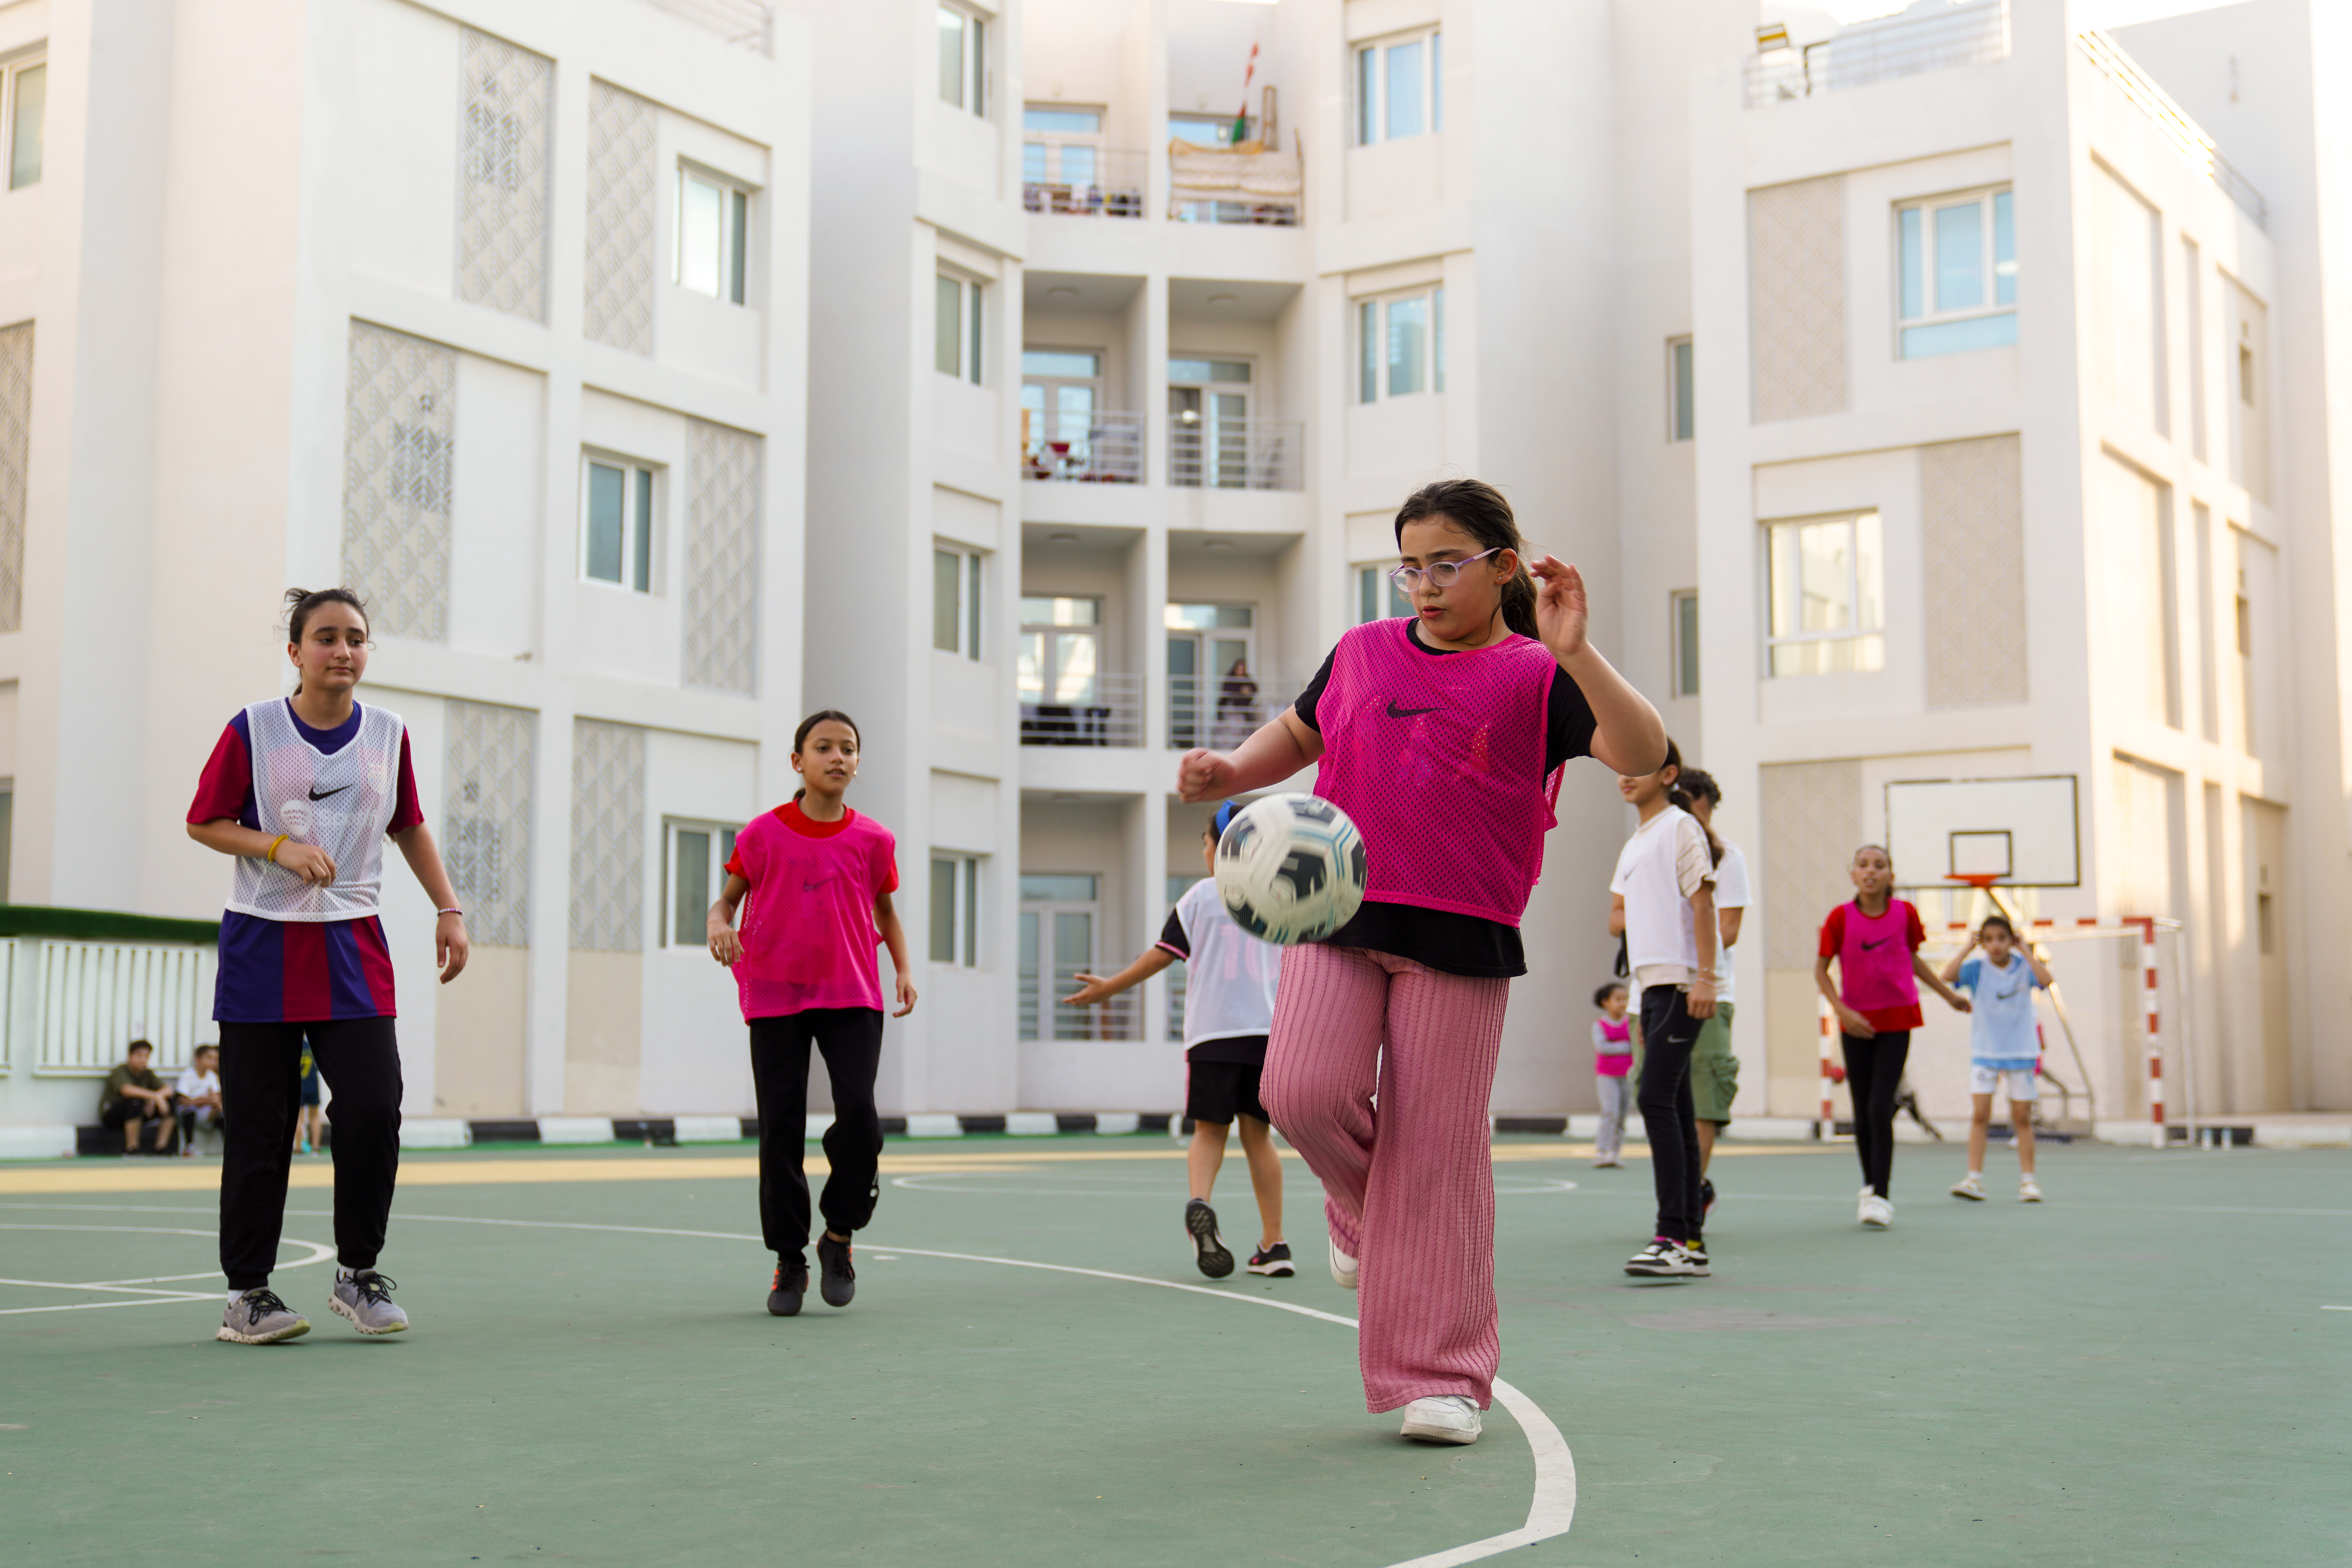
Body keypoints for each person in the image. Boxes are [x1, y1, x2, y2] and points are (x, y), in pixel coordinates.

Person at [1177, 477, 1665, 1446]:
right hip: (1335, 907)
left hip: (1464, 927)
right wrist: (1229, 772)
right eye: (1409, 567)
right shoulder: (1360, 653)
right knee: (1300, 1089)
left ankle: (1441, 1376)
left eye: (1445, 564)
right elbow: (1297, 734)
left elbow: (1645, 750)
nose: (1424, 585)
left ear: (1499, 564)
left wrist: (1578, 650)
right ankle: (1360, 1216)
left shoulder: (1539, 672)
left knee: (1438, 1151)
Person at [186, 586, 470, 1345]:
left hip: (353, 943)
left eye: (356, 637)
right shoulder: (253, 728)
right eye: (325, 637)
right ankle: (248, 1294)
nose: (342, 650)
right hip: (263, 943)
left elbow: (408, 823)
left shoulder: (388, 732)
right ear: (296, 651)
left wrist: (450, 908)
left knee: (375, 1105)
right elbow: (204, 822)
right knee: (260, 1123)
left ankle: (357, 1274)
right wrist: (277, 846)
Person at [707, 710, 916, 1318]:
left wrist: (901, 969)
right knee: (780, 1130)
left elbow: (886, 910)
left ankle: (839, 1235)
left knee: (860, 1119)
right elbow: (727, 900)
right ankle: (790, 1257)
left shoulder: (873, 839)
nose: (838, 756)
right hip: (774, 993)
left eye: (848, 748)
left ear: (857, 762)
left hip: (853, 991)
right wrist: (718, 924)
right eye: (823, 747)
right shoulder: (762, 834)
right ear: (797, 761)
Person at [1061, 802, 1290, 1280]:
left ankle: (1200, 1205)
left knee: (1209, 1131)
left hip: (1211, 1035)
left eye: (1205, 842)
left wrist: (1109, 988)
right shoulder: (1279, 895)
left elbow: (1160, 956)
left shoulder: (1200, 898)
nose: (1203, 850)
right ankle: (1274, 1244)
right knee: (1258, 1137)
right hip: (1267, 1034)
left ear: (1221, 847)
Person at [1814, 846, 1970, 1229]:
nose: (1871, 872)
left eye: (1879, 866)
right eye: (1863, 866)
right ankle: (1869, 1186)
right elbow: (1820, 970)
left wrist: (1949, 996)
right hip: (1856, 1024)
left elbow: (1913, 958)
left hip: (1897, 1020)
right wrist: (1842, 1011)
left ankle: (1881, 1195)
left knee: (1880, 1106)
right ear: (1853, 875)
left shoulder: (1905, 915)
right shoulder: (1840, 918)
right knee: (1863, 1108)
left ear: (1890, 875)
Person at [1608, 739, 1718, 1279]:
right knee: (1672, 1103)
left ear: (1669, 773)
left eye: (1639, 767)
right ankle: (1691, 1240)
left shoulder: (1680, 825)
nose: (1625, 775)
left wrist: (1705, 978)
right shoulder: (1636, 840)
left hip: (1681, 985)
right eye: (1622, 768)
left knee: (1653, 1097)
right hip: (1651, 989)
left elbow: (1704, 902)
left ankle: (1671, 1234)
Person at [1674, 768, 1748, 1219]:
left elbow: (1730, 930)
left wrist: (1692, 958)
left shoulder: (1726, 856)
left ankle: (1690, 1196)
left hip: (1708, 991)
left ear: (1703, 803)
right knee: (1658, 1099)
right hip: (1655, 991)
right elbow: (1618, 918)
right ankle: (1679, 1192)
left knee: (1704, 1099)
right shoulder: (1652, 846)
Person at [1941, 915, 2051, 1203]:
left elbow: (2046, 980)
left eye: (2002, 938)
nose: (1996, 945)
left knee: (2021, 1117)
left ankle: (2029, 1182)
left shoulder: (2024, 968)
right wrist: (1967, 947)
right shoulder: (1977, 969)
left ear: (2011, 940)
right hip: (1986, 1053)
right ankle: (1974, 1179)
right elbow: (1948, 976)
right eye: (1988, 939)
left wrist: (2026, 949)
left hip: (2021, 1052)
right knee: (1980, 1115)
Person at [100, 1041, 176, 1155]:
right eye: (139, 1056)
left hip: (138, 1112)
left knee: (170, 1104)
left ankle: (161, 1147)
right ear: (130, 1056)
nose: (143, 1060)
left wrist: (158, 1097)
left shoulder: (148, 1073)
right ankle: (132, 1148)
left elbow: (169, 1089)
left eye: (147, 1057)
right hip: (112, 1114)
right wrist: (154, 1096)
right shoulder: (120, 1071)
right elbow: (127, 1091)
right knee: (136, 1102)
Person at [1589, 984, 1633, 1169]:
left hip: (1627, 1076)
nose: (1623, 1003)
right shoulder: (1600, 1026)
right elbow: (1603, 1048)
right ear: (1606, 1003)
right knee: (1610, 1111)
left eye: (1625, 999)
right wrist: (1625, 1047)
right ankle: (1602, 1151)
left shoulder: (1631, 1024)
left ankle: (1615, 1153)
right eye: (1618, 999)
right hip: (1607, 1076)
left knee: (1622, 1115)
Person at [175, 1044, 225, 1157]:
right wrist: (204, 1100)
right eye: (209, 1058)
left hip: (206, 1113)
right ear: (198, 1060)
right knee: (191, 1110)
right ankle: (189, 1147)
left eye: (215, 1059)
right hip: (188, 1113)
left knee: (223, 1114)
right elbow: (182, 1101)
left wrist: (216, 1103)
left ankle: (228, 1146)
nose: (213, 1062)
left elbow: (216, 1095)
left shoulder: (212, 1076)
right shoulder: (187, 1075)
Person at [291, 1042, 325, 1155]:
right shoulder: (312, 1047)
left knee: (298, 1118)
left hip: (299, 1085)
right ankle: (316, 1147)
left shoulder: (295, 1046)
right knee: (315, 1116)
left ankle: (298, 1147)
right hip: (313, 1085)